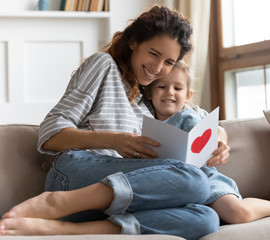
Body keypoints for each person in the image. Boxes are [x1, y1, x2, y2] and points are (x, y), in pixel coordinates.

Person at [0, 5, 225, 240]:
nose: (158, 69)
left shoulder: (150, 97)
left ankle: (66, 229)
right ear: (133, 42)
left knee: (205, 218)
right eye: (154, 54)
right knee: (195, 182)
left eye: (169, 61)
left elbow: (194, 114)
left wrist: (220, 137)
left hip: (116, 202)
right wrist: (115, 141)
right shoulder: (103, 66)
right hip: (74, 175)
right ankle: (54, 202)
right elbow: (50, 132)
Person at [145, 60, 270, 224]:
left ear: (188, 95)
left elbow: (219, 130)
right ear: (149, 92)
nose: (170, 92)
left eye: (177, 88)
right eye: (162, 87)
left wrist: (219, 141)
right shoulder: (142, 122)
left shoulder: (192, 114)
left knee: (238, 213)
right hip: (170, 186)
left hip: (205, 177)